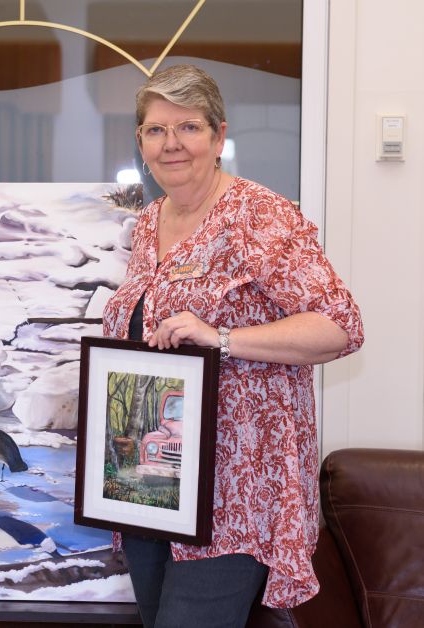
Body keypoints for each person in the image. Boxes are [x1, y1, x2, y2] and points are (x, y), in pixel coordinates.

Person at [103, 64, 363, 627]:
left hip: (233, 493)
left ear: (219, 137)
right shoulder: (148, 223)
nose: (171, 144)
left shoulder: (259, 216)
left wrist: (221, 338)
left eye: (189, 127)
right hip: (152, 483)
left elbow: (339, 327)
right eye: (154, 130)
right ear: (141, 144)